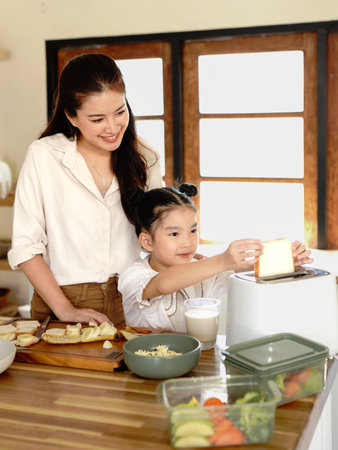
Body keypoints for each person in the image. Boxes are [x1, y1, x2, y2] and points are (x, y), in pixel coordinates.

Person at [8, 53, 163, 325]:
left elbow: (156, 231)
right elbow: (25, 246)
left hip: (130, 296)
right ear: (72, 116)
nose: (113, 128)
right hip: (60, 299)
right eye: (97, 119)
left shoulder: (145, 156)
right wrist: (65, 309)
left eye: (120, 111)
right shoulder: (45, 156)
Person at [118, 183, 313, 331]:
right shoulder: (133, 276)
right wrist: (222, 260)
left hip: (198, 365)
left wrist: (287, 261)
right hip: (146, 367)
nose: (187, 242)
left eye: (193, 231)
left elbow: (249, 270)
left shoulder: (205, 269)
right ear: (147, 241)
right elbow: (162, 285)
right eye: (174, 234)